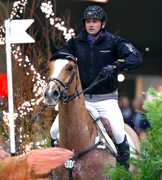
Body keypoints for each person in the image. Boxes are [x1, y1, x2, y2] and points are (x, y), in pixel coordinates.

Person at [50, 5, 142, 171]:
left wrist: (115, 66)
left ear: (103, 24)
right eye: (88, 22)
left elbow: (136, 57)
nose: (91, 25)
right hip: (81, 101)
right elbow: (62, 61)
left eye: (94, 21)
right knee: (54, 130)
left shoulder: (114, 42)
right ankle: (53, 170)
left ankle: (123, 170)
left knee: (119, 133)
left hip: (106, 101)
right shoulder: (75, 43)